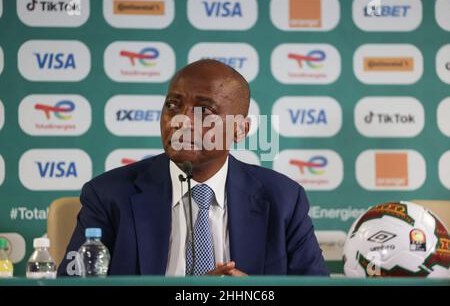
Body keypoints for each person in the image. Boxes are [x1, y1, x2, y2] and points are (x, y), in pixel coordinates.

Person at [57, 59, 329, 276]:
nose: (180, 121)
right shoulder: (108, 195)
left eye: (204, 111)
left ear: (239, 129)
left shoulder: (283, 199)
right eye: (172, 106)